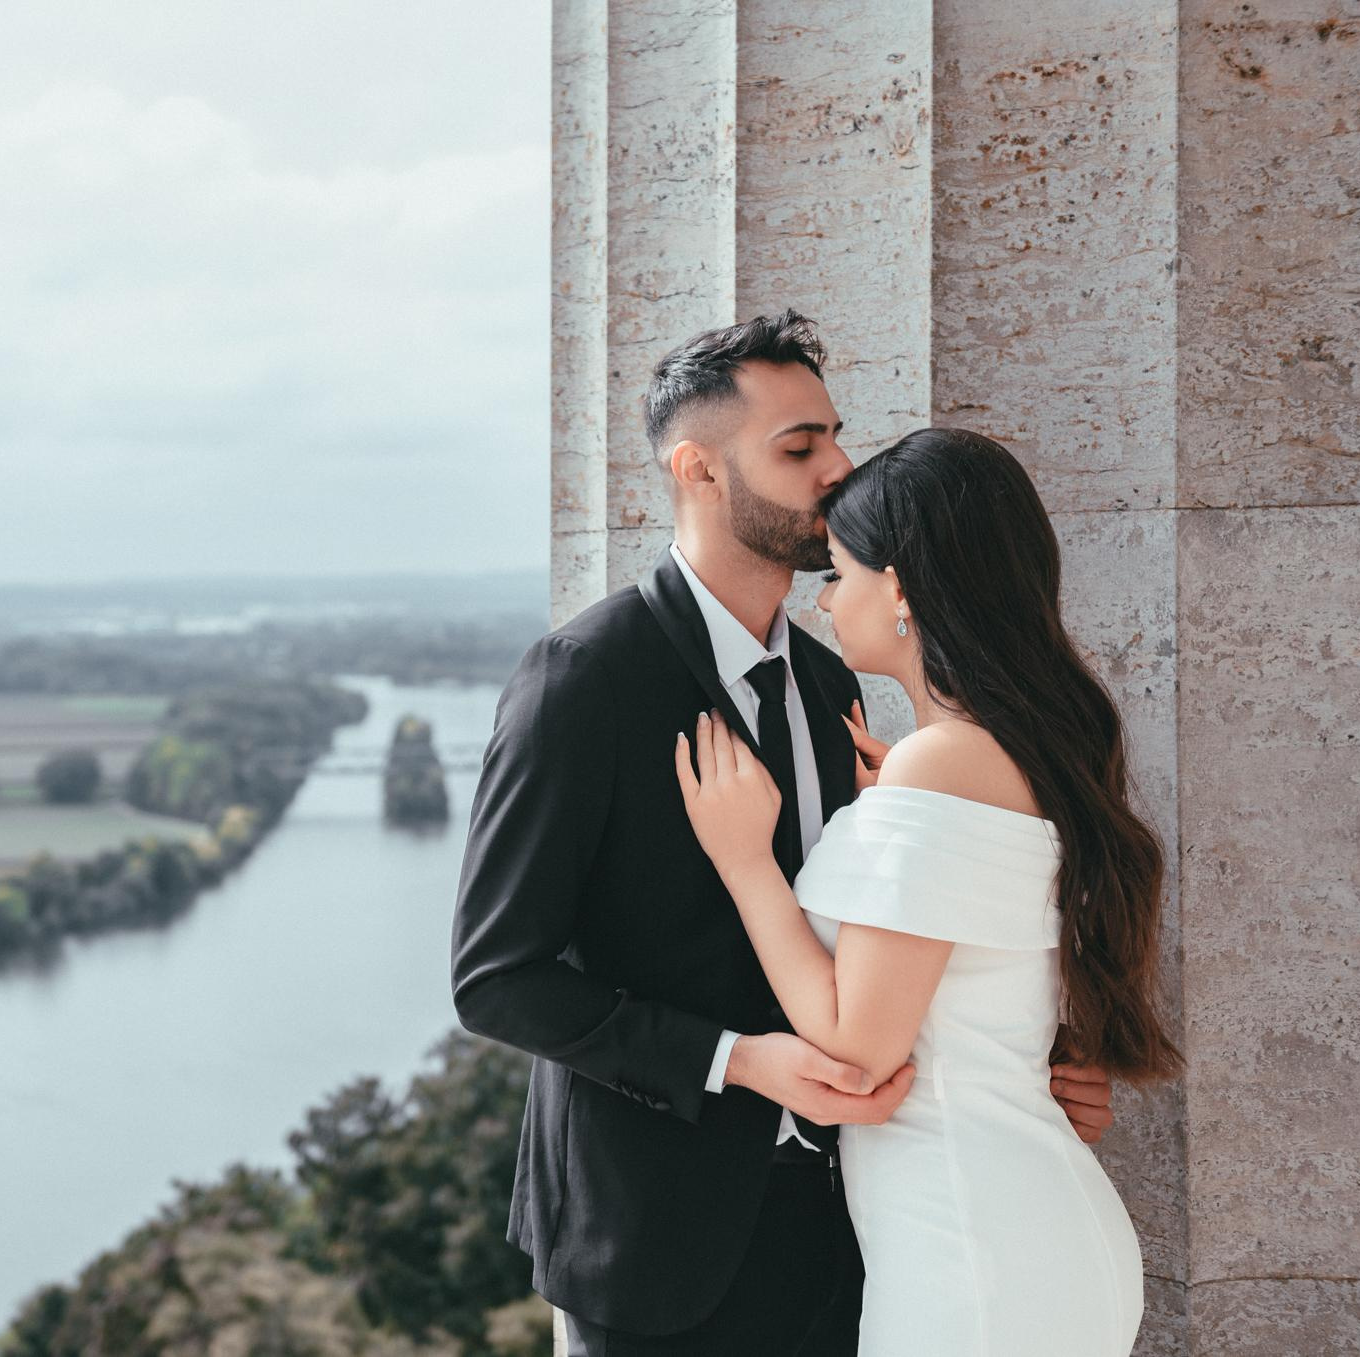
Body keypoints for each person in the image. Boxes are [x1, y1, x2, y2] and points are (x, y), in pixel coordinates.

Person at [450, 313, 1119, 1355]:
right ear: (699, 470)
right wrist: (736, 1061)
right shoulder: (584, 680)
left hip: (856, 1232)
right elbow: (496, 978)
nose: (838, 468)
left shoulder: (829, 679)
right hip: (658, 1243)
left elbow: (894, 944)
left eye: (836, 436)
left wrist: (1031, 1058)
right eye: (800, 447)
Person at [674, 425, 1182, 1356]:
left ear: (899, 587)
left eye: (839, 573)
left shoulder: (939, 763)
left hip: (971, 1250)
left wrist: (747, 863)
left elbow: (855, 1049)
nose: (826, 602)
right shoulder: (1024, 748)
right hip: (1021, 1230)